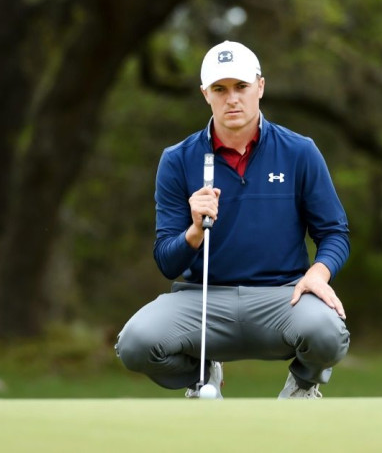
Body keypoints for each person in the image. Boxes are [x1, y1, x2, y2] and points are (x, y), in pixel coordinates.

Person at [115, 41, 350, 399]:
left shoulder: (299, 151)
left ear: (260, 87)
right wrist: (194, 231)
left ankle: (302, 384)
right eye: (220, 89)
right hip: (205, 299)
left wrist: (318, 274)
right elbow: (166, 260)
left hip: (283, 298)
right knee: (135, 343)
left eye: (241, 87)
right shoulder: (178, 159)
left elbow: (334, 232)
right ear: (205, 94)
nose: (232, 99)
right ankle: (202, 373)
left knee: (329, 333)